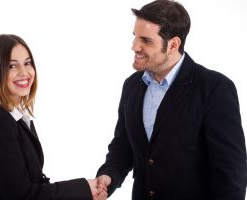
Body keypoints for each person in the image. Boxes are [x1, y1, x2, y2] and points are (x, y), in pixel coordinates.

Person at [95, 0, 247, 199]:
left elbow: (231, 173)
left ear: (173, 44)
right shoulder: (132, 85)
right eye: (135, 37)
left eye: (146, 40)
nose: (134, 47)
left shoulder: (214, 87)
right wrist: (109, 175)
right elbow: (123, 145)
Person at [0, 34, 107, 200]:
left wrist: (86, 191)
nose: (24, 72)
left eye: (27, 63)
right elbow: (21, 196)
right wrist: (83, 188)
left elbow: (32, 185)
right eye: (12, 66)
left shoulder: (14, 118)